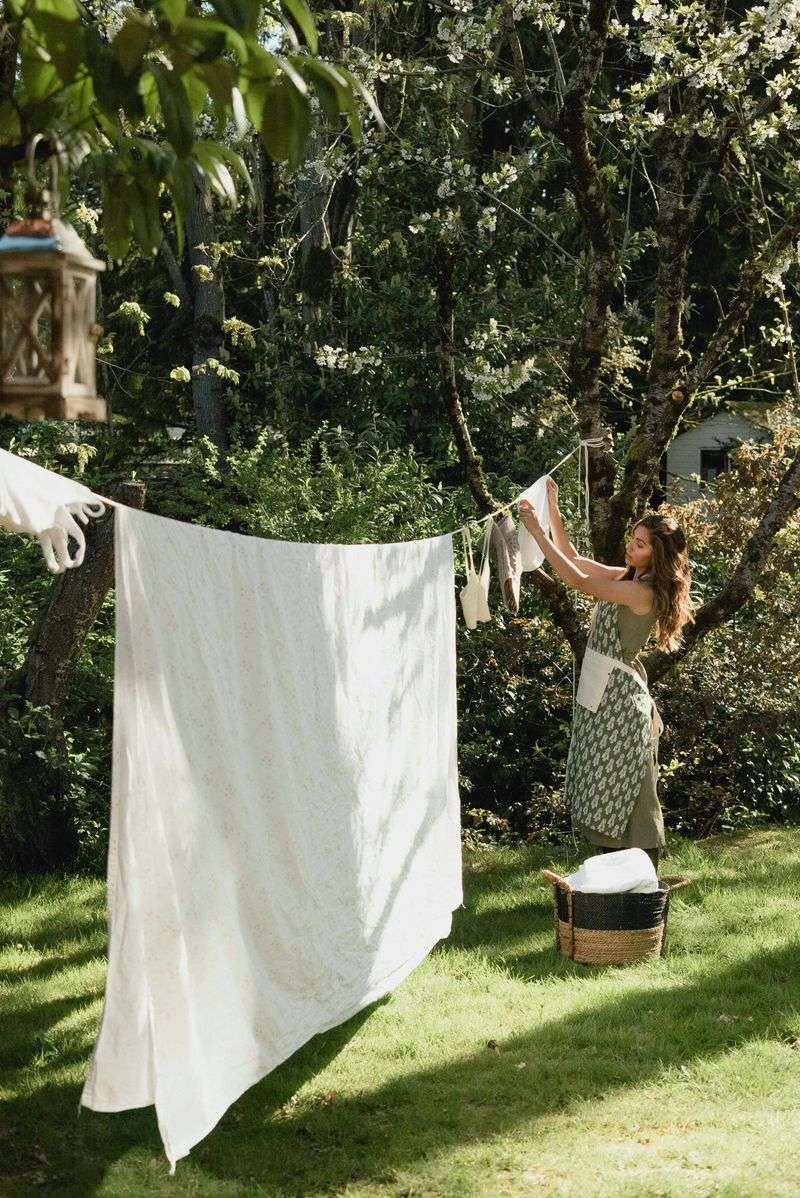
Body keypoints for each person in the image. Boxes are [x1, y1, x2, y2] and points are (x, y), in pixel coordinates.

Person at [518, 476, 695, 872]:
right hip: (603, 693)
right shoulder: (627, 578)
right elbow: (576, 559)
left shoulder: (642, 592)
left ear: (658, 554)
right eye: (633, 539)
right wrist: (553, 513)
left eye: (640, 544)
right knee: (604, 782)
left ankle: (638, 872)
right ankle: (614, 874)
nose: (631, 546)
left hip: (619, 701)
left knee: (627, 785)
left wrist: (533, 530)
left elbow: (577, 581)